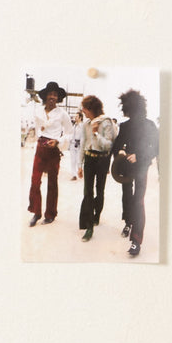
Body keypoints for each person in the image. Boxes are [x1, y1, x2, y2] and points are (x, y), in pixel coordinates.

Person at [111, 89, 158, 258]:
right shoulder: (125, 126)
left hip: (142, 166)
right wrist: (122, 153)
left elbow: (156, 148)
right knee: (126, 197)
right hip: (126, 168)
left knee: (138, 200)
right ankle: (128, 222)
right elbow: (116, 147)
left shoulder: (150, 125)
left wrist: (138, 156)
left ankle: (136, 240)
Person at [26, 81, 72, 225]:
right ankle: (36, 212)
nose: (52, 97)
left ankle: (50, 213)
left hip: (53, 149)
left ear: (58, 98)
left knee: (52, 182)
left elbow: (70, 133)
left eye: (55, 95)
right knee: (35, 181)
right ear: (45, 96)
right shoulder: (38, 111)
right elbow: (37, 128)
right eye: (50, 94)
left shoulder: (62, 114)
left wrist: (58, 141)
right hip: (40, 148)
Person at [77, 96, 116, 242]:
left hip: (102, 160)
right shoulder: (86, 123)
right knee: (87, 191)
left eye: (85, 109)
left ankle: (96, 215)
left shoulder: (106, 122)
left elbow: (108, 145)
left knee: (100, 190)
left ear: (92, 108)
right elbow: (83, 144)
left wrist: (96, 133)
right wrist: (79, 165)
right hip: (89, 159)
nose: (83, 112)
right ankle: (88, 227)